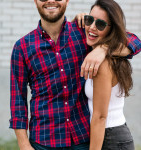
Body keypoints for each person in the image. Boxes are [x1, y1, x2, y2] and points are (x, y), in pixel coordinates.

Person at [9, 0, 141, 149]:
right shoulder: (22, 47)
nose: (51, 1)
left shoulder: (83, 34)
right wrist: (23, 143)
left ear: (66, 1)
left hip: (82, 139)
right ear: (35, 1)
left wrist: (103, 49)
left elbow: (134, 41)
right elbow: (17, 100)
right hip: (44, 141)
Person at [83, 0, 139, 149]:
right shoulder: (108, 55)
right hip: (113, 135)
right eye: (89, 20)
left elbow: (100, 117)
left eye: (100, 24)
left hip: (110, 138)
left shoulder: (103, 63)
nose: (92, 27)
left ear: (111, 29)